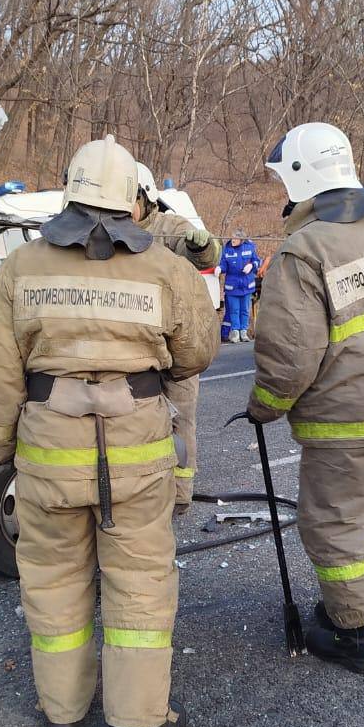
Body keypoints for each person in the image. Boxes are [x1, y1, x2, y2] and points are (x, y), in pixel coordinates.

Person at [0, 135, 217, 727]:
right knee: (139, 581)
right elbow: (196, 353)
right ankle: (140, 725)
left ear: (70, 190)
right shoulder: (164, 268)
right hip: (136, 458)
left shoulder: (21, 267)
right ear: (132, 198)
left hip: (49, 456)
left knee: (53, 579)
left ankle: (63, 711)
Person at [247, 122, 364, 673]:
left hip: (346, 419)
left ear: (301, 176)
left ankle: (354, 633)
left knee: (333, 522)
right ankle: (360, 609)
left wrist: (265, 405)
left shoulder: (306, 250)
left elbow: (289, 352)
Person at [134, 162, 222, 512]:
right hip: (140, 345)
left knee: (180, 418)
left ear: (146, 196)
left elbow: (203, 252)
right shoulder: (108, 229)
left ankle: (180, 494)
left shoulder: (166, 226)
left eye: (131, 197)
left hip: (176, 344)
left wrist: (201, 247)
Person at [218, 228, 260, 342]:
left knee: (245, 310)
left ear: (241, 240)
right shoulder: (227, 249)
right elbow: (224, 265)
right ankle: (235, 332)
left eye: (236, 238)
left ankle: (244, 332)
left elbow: (257, 261)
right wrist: (219, 269)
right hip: (232, 287)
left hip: (247, 285)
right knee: (234, 310)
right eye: (232, 237)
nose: (233, 240)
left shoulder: (249, 247)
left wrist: (251, 265)